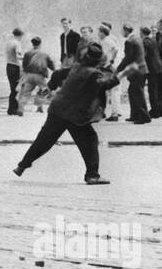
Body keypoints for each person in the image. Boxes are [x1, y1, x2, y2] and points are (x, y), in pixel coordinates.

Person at [12, 41, 134, 185]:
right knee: (90, 140)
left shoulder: (76, 67)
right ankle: (92, 175)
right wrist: (122, 74)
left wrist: (50, 87)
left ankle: (22, 166)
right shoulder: (93, 73)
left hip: (57, 109)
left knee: (44, 140)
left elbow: (57, 73)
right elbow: (104, 85)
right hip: (74, 114)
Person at [116, 23, 149, 123]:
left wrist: (118, 69)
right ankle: (135, 115)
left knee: (137, 93)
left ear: (126, 31)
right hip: (142, 69)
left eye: (122, 31)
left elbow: (128, 58)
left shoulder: (129, 41)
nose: (121, 32)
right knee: (133, 91)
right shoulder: (137, 38)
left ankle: (143, 117)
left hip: (136, 70)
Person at [19, 36, 54, 112]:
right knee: (45, 91)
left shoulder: (27, 53)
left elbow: (24, 65)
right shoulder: (44, 54)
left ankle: (21, 108)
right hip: (39, 76)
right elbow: (51, 64)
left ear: (32, 44)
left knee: (26, 93)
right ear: (40, 44)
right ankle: (39, 105)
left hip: (29, 76)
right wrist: (55, 70)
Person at [97, 23, 122, 121]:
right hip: (109, 67)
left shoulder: (107, 40)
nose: (98, 34)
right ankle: (112, 112)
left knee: (113, 90)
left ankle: (115, 113)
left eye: (99, 32)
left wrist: (111, 61)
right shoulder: (106, 40)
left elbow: (116, 49)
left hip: (111, 68)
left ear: (103, 32)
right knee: (111, 90)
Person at [141, 25, 162, 120]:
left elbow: (144, 55)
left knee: (152, 90)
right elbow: (161, 52)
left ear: (142, 33)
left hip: (152, 69)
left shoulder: (145, 41)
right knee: (157, 90)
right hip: (159, 67)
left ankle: (155, 111)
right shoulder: (154, 40)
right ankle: (160, 109)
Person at [4, 27, 26, 116]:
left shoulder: (8, 43)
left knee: (12, 88)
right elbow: (19, 56)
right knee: (16, 88)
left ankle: (11, 108)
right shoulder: (17, 43)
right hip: (15, 67)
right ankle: (13, 109)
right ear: (20, 35)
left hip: (8, 66)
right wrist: (26, 58)